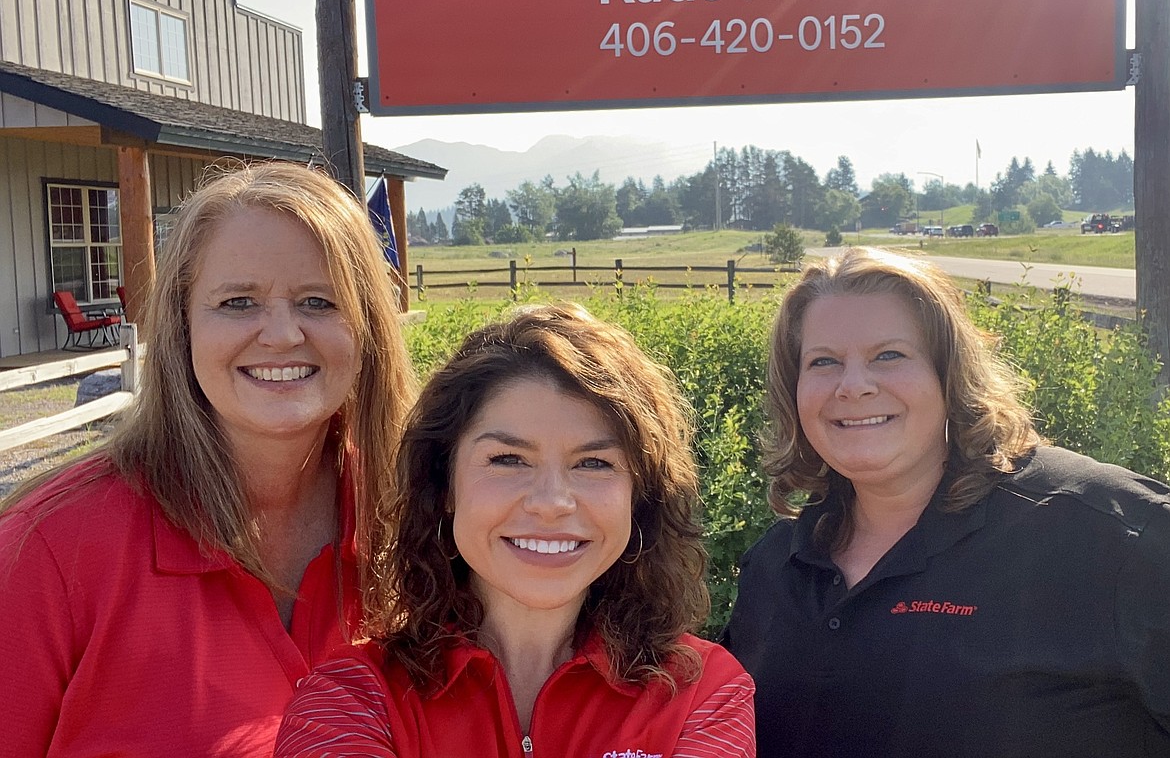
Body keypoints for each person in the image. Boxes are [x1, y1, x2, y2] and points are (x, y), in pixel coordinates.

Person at [0, 161, 416, 756]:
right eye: (238, 301)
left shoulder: (426, 528)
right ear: (181, 326)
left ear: (369, 327)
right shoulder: (45, 552)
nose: (280, 334)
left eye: (319, 301)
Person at [723, 246, 1170, 757]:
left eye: (888, 355)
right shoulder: (775, 566)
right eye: (823, 361)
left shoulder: (1112, 539)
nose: (853, 386)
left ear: (950, 374)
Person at [275, 304, 756, 758]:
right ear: (444, 485)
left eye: (594, 463)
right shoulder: (349, 699)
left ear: (640, 495)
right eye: (508, 459)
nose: (551, 503)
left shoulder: (705, 692)